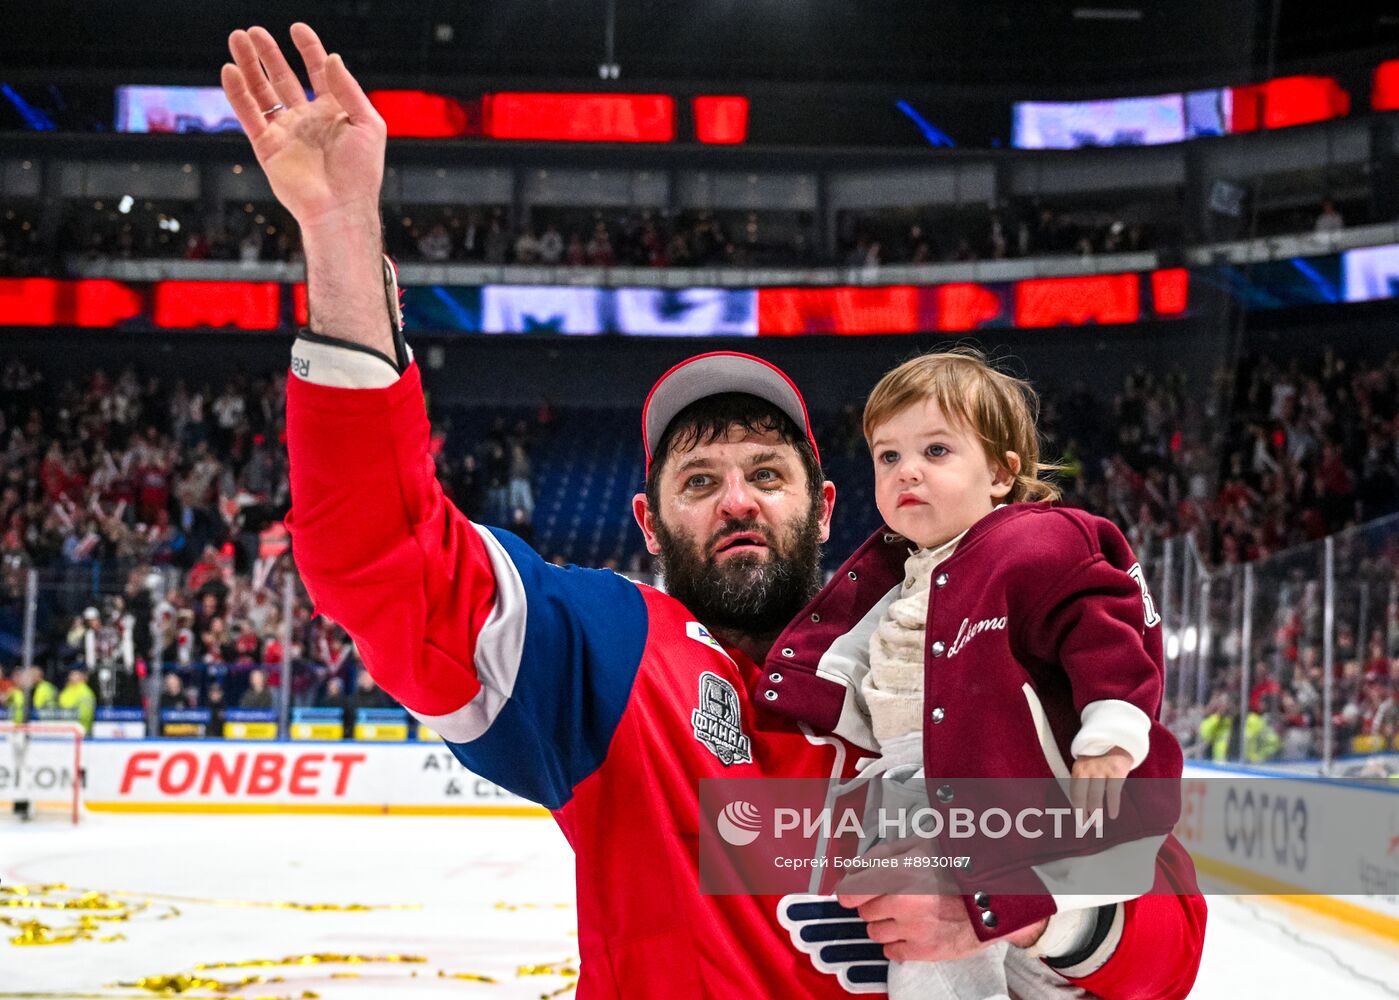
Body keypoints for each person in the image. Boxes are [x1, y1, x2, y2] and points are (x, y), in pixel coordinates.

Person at [220, 24, 1205, 997]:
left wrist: (1037, 904)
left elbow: (1168, 939)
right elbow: (379, 554)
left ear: (824, 510)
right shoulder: (608, 653)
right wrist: (341, 234)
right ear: (649, 525)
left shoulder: (967, 657)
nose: (736, 497)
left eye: (765, 473)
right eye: (697, 480)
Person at [763, 349, 1184, 999]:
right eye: (887, 456)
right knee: (924, 950)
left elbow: (1106, 626)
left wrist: (1109, 727)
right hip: (907, 787)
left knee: (1004, 955)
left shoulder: (1035, 544)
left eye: (935, 451)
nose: (907, 472)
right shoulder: (895, 570)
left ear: (999, 473)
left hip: (993, 792)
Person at [58, 668, 97, 735]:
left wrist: (65, 714)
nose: (71, 676)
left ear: (83, 676)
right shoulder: (67, 689)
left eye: (74, 674)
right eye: (71, 674)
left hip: (81, 732)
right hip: (65, 730)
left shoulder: (85, 692)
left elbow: (85, 715)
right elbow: (58, 706)